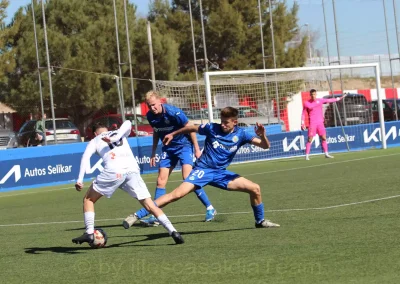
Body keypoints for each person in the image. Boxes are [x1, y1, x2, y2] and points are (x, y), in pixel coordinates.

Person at [129, 106, 280, 229]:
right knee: (176, 195)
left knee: (255, 188)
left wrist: (262, 135)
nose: (222, 124)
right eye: (221, 121)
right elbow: (191, 128)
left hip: (221, 174)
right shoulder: (211, 128)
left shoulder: (242, 134)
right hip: (203, 170)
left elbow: (265, 146)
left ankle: (259, 221)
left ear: (235, 122)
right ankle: (138, 214)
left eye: (226, 122)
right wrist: (174, 134)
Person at [72, 120, 184, 245]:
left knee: (89, 199)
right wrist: (118, 135)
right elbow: (128, 122)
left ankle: (89, 233)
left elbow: (85, 158)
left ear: (94, 133)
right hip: (132, 171)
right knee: (150, 205)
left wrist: (80, 180)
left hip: (114, 171)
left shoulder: (94, 140)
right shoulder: (118, 132)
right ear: (107, 129)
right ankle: (173, 231)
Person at [123, 91, 216, 228]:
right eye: (149, 106)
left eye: (154, 105)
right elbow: (156, 132)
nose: (152, 108)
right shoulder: (150, 116)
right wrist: (153, 152)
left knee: (188, 178)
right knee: (161, 181)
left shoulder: (173, 112)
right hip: (168, 149)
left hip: (184, 146)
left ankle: (209, 207)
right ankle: (156, 215)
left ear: (160, 101)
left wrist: (196, 149)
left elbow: (190, 128)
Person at [301, 89, 347, 160]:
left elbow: (330, 100)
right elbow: (303, 113)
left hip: (320, 123)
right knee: (310, 139)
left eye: (314, 94)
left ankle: (326, 154)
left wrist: (339, 98)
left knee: (324, 138)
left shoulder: (320, 100)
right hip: (312, 124)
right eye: (312, 94)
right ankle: (307, 155)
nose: (313, 96)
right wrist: (302, 123)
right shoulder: (307, 103)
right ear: (310, 95)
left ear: (316, 94)